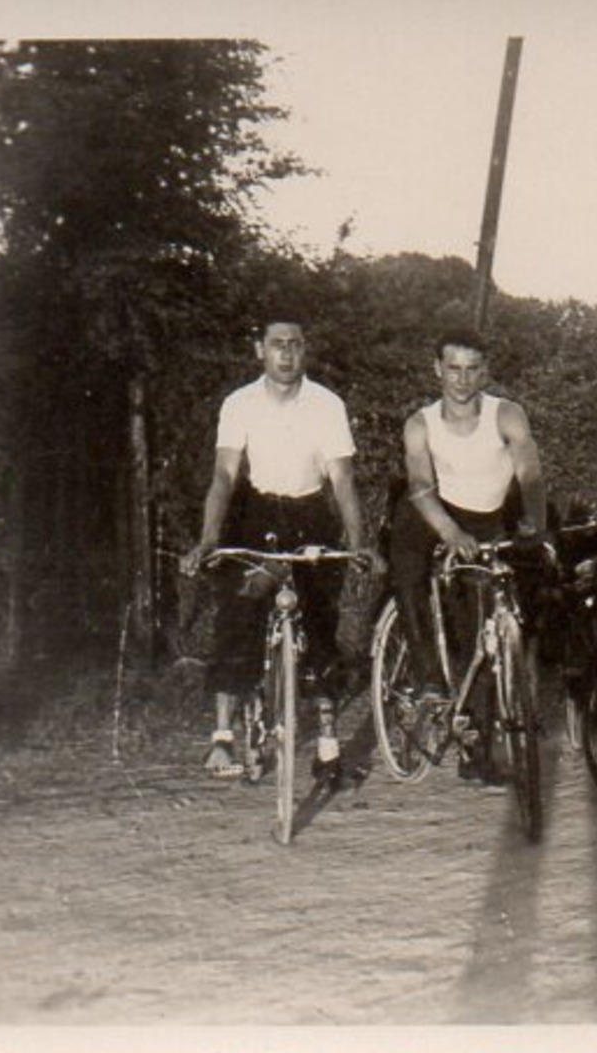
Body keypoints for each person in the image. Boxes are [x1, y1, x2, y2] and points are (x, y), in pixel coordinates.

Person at [181, 318, 378, 786]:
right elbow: (225, 476)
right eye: (276, 345)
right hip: (257, 511)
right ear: (259, 351)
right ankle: (223, 735)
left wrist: (357, 541)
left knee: (319, 619)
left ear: (304, 351)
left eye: (295, 345)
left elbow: (342, 480)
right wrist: (209, 538)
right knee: (239, 609)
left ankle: (328, 748)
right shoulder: (239, 403)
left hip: (310, 512)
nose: (286, 354)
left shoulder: (327, 405)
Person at [389, 327, 549, 786]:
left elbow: (531, 474)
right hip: (432, 511)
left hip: (485, 514)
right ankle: (429, 679)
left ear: (485, 371)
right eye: (452, 368)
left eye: (471, 369)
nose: (461, 380)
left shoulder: (507, 415)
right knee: (410, 568)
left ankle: (476, 740)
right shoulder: (420, 423)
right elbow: (420, 486)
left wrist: (534, 525)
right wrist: (449, 531)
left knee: (483, 620)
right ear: (437, 369)